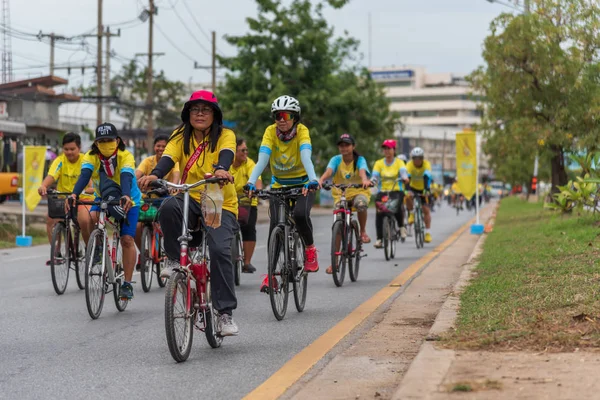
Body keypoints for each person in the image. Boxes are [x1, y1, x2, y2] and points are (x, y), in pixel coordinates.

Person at [138, 90, 239, 336]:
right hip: (190, 197)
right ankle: (174, 260)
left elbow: (226, 154)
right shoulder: (180, 136)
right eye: (195, 109)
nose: (200, 114)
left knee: (219, 251)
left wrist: (222, 169)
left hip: (219, 201)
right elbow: (169, 158)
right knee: (168, 207)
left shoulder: (226, 135)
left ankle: (224, 314)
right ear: (188, 114)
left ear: (215, 114)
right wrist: (156, 175)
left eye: (206, 110)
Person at [244, 95, 321, 291]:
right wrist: (251, 181)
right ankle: (271, 276)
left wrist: (313, 180)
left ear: (295, 117)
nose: (281, 120)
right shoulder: (270, 132)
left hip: (304, 183)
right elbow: (262, 159)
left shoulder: (302, 131)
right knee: (275, 229)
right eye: (277, 116)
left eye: (286, 115)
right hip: (279, 185)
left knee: (300, 215)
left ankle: (310, 250)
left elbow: (306, 156)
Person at [68, 123, 142, 300]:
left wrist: (125, 196)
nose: (106, 144)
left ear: (117, 141)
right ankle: (99, 248)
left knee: (126, 239)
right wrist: (73, 194)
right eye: (102, 141)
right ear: (96, 143)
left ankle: (127, 284)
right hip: (103, 198)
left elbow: (126, 177)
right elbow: (85, 175)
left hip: (128, 199)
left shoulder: (126, 156)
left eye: (109, 140)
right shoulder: (90, 157)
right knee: (91, 216)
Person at [319, 133, 372, 274]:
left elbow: (362, 172)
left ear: (353, 146)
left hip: (358, 192)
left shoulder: (359, 160)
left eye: (347, 145)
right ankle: (334, 263)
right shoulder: (336, 160)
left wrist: (365, 180)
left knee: (361, 204)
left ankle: (362, 231)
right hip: (340, 195)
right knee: (337, 225)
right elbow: (329, 171)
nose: (344, 148)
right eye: (341, 145)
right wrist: (321, 180)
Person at [38, 132, 94, 265]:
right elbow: (51, 176)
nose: (69, 152)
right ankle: (56, 252)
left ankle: (89, 248)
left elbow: (91, 180)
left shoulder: (86, 160)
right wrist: (43, 186)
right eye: (66, 149)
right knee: (51, 218)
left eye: (72, 149)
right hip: (64, 199)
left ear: (79, 148)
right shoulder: (60, 160)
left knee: (85, 220)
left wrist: (91, 189)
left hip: (83, 199)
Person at [134, 135, 180, 269]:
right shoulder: (147, 161)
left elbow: (176, 177)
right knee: (137, 226)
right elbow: (137, 174)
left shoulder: (173, 162)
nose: (161, 149)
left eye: (164, 147)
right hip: (148, 199)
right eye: (158, 146)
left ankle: (170, 253)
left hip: (166, 199)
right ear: (154, 147)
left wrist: (173, 186)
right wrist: (132, 183)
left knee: (168, 226)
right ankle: (143, 252)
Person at [230, 137, 262, 273]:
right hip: (229, 201)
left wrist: (257, 190)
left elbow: (257, 179)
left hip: (247, 200)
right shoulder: (226, 164)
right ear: (234, 152)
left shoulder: (249, 164)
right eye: (242, 150)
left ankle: (247, 262)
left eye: (246, 150)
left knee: (249, 228)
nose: (245, 153)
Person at [371, 139, 408, 249]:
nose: (386, 151)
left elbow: (403, 173)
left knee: (396, 207)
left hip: (396, 190)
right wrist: (372, 181)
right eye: (385, 148)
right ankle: (379, 239)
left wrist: (405, 178)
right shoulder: (379, 163)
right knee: (379, 212)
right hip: (383, 192)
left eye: (389, 148)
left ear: (394, 150)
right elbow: (375, 176)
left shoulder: (399, 162)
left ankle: (401, 228)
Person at [405, 147, 433, 243]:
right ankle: (412, 213)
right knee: (407, 196)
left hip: (423, 187)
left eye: (419, 158)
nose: (417, 160)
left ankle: (428, 233)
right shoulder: (409, 165)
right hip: (412, 187)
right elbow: (407, 178)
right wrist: (408, 190)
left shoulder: (426, 164)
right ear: (412, 159)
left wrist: (426, 190)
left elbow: (426, 177)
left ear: (422, 158)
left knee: (426, 210)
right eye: (415, 158)